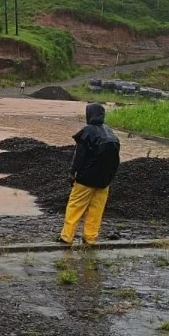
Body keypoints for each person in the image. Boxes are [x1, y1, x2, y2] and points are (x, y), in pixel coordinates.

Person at [58, 103, 120, 246]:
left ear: (89, 114)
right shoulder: (112, 134)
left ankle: (66, 237)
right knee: (96, 211)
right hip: (105, 181)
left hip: (86, 179)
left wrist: (72, 172)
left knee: (75, 207)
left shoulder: (87, 132)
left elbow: (79, 156)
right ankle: (90, 238)